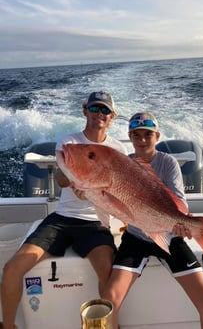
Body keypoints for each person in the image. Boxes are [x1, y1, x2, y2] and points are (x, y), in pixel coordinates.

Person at [0, 91, 127, 329]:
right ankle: (8, 326)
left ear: (112, 117)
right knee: (12, 268)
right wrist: (75, 182)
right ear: (85, 111)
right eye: (95, 108)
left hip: (95, 223)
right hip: (62, 219)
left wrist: (95, 193)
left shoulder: (118, 149)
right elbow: (61, 178)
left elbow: (119, 190)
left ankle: (112, 326)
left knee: (108, 273)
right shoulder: (69, 142)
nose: (99, 114)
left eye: (105, 110)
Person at [102, 112, 203, 329]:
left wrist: (182, 224)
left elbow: (178, 200)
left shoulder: (168, 163)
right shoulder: (124, 164)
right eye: (136, 135)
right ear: (130, 137)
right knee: (109, 300)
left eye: (147, 135)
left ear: (157, 136)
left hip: (171, 235)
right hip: (136, 238)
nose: (142, 140)